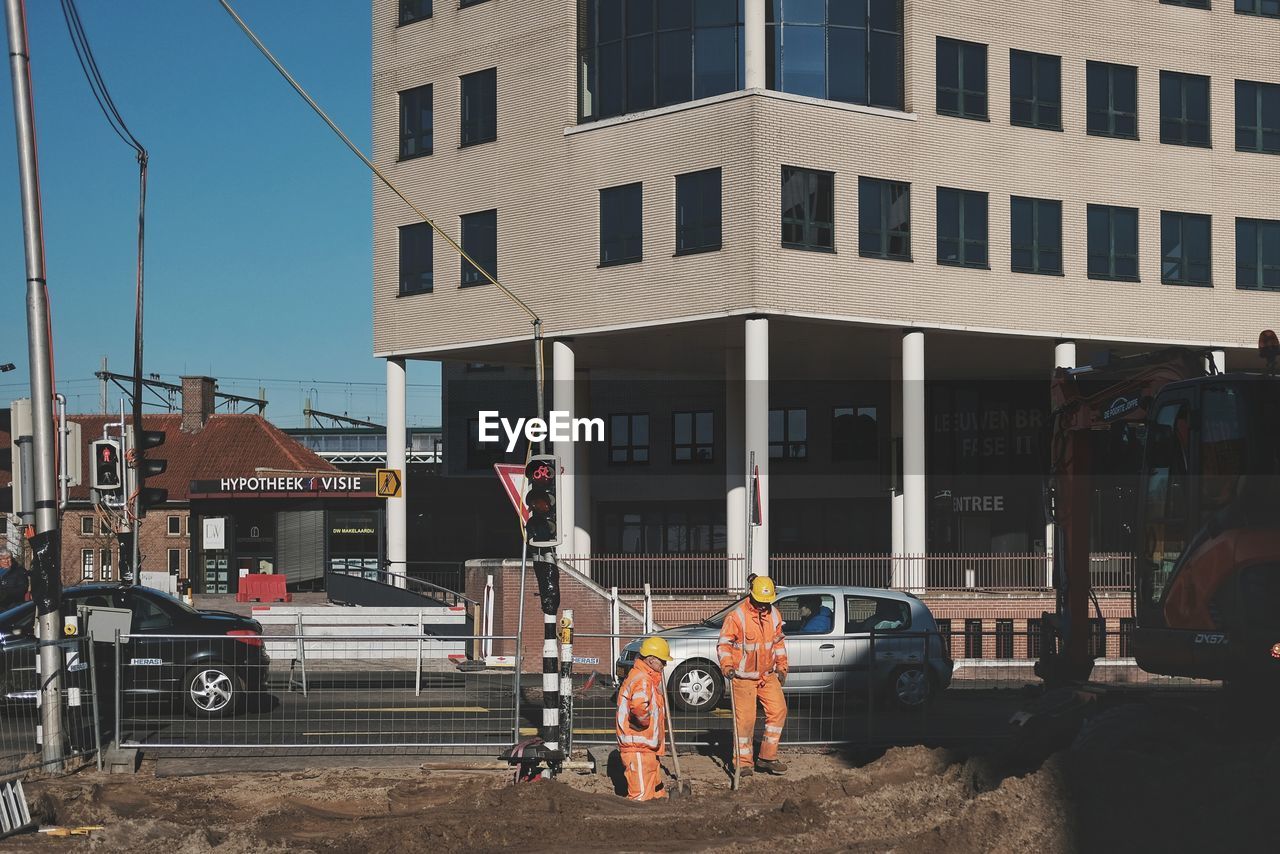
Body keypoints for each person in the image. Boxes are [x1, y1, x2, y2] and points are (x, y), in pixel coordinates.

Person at [717, 575, 788, 776]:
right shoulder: (736, 617)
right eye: (761, 601)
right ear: (752, 595)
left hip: (767, 675)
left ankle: (767, 757)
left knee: (778, 711)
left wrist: (782, 667)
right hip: (743, 677)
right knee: (745, 721)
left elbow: (778, 644)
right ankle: (743, 763)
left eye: (767, 602)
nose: (764, 606)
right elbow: (724, 645)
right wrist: (727, 665)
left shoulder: (774, 615)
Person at [616, 635, 673, 801]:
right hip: (638, 745)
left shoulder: (646, 678)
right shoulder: (642, 680)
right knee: (640, 797)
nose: (665, 664)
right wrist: (644, 724)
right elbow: (640, 707)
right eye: (662, 661)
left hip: (645, 747)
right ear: (650, 660)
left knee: (655, 790)